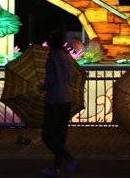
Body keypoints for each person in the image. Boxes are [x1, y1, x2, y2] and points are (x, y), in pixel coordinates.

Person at [40, 30, 78, 177]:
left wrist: (42, 86)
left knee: (47, 135)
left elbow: (50, 81)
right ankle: (56, 167)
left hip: (55, 100)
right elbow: (70, 76)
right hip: (67, 98)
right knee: (60, 136)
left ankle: (68, 158)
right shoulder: (67, 57)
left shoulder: (53, 58)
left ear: (52, 42)